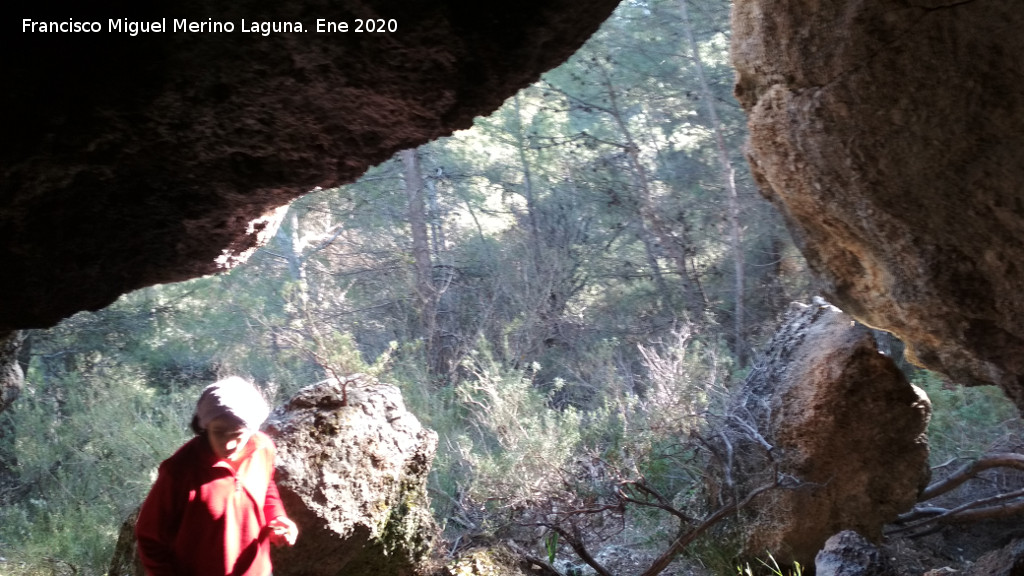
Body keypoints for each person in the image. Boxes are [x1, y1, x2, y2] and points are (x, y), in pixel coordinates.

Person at [136, 376, 298, 576]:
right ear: (204, 427)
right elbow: (149, 538)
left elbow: (266, 487)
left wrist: (278, 518)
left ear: (252, 429)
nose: (228, 444)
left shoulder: (262, 449)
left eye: (237, 434)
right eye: (219, 432)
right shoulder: (180, 472)